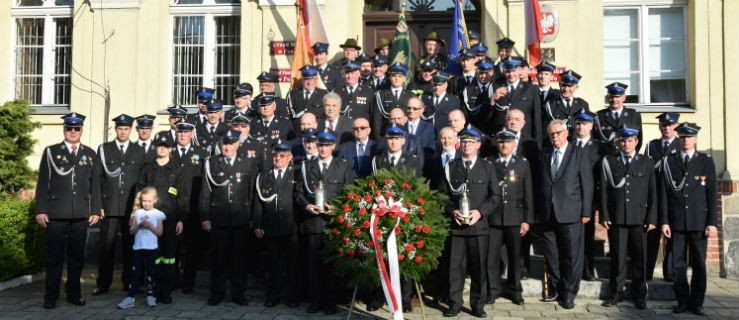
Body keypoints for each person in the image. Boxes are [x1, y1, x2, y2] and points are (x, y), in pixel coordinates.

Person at [35, 113, 101, 309]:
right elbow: (41, 184)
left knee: (77, 258)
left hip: (81, 214)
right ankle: (51, 296)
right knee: (54, 257)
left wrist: (95, 209)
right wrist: (40, 210)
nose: (73, 132)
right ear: (64, 130)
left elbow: (95, 185)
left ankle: (74, 293)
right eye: (69, 128)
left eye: (77, 128)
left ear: (81, 130)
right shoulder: (51, 152)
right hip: (56, 214)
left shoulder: (90, 154)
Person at [439, 127, 501, 318]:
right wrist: (453, 211)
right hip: (457, 226)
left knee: (478, 268)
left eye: (471, 142)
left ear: (478, 145)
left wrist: (480, 213)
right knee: (454, 268)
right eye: (464, 141)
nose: (467, 145)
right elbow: (442, 196)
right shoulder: (451, 167)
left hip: (478, 227)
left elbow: (495, 196)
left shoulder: (488, 167)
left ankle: (477, 305)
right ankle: (455, 303)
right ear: (459, 144)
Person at [660, 122, 717, 316]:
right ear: (678, 138)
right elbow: (664, 195)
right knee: (677, 264)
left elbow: (711, 194)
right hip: (676, 222)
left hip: (699, 222)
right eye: (683, 137)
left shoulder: (705, 161)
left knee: (699, 263)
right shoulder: (670, 162)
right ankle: (682, 300)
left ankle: (697, 302)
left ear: (695, 139)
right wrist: (665, 221)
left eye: (689, 137)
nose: (686, 140)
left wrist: (712, 223)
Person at [538, 119, 594, 309]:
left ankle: (569, 293)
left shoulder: (579, 154)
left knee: (571, 256)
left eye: (558, 133)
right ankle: (556, 288)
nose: (555, 137)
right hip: (547, 214)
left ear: (566, 133)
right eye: (552, 134)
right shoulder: (545, 155)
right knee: (552, 255)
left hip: (571, 213)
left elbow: (587, 184)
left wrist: (586, 211)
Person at [296, 132, 353, 314]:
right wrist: (307, 206)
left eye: (326, 145)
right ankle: (316, 301)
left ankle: (331, 302)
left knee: (332, 266)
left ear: (333, 147)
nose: (322, 148)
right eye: (320, 145)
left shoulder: (341, 166)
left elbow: (349, 194)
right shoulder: (307, 167)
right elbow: (298, 193)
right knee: (313, 265)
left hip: (333, 225)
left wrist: (337, 208)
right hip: (313, 223)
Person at [600, 126, 657, 309]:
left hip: (639, 218)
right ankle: (616, 292)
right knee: (617, 257)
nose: (626, 144)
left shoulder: (647, 162)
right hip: (617, 218)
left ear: (636, 142)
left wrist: (652, 218)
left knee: (640, 258)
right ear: (618, 142)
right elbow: (604, 191)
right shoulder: (610, 161)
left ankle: (639, 294)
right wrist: (605, 215)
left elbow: (652, 192)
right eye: (623, 141)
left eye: (630, 140)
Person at [200, 130, 258, 306]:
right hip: (218, 218)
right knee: (218, 259)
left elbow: (252, 194)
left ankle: (238, 293)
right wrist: (204, 217)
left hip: (241, 218)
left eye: (231, 144)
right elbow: (204, 193)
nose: (228, 147)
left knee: (239, 259)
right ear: (221, 145)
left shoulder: (247, 163)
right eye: (225, 144)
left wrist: (253, 219)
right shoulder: (211, 163)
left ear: (237, 145)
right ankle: (217, 292)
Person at [93, 114, 145, 297]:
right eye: (120, 129)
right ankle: (103, 283)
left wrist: (140, 207)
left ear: (131, 130)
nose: (123, 132)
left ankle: (130, 282)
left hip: (131, 207)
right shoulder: (104, 149)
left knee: (131, 247)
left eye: (126, 129)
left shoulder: (139, 151)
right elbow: (97, 179)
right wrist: (97, 205)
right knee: (106, 246)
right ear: (116, 130)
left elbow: (142, 180)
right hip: (109, 206)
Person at [137, 135, 188, 304]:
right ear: (155, 147)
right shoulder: (147, 168)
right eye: (159, 146)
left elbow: (182, 195)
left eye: (166, 146)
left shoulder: (177, 169)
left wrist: (181, 219)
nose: (162, 149)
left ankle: (166, 290)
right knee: (153, 256)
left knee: (169, 257)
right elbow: (140, 193)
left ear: (171, 149)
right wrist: (137, 216)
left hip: (170, 219)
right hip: (150, 219)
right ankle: (154, 289)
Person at [485, 129, 533, 306]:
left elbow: (528, 193)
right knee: (492, 257)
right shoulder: (489, 162)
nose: (504, 145)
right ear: (497, 143)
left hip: (515, 217)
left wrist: (527, 219)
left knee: (515, 257)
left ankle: (515, 290)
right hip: (494, 218)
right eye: (501, 141)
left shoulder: (522, 164)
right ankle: (493, 289)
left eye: (508, 141)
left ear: (514, 143)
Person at [253, 142, 300, 309]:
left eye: (282, 156)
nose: (278, 158)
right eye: (275, 156)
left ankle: (292, 296)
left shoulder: (296, 174)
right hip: (271, 226)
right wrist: (258, 223)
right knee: (273, 264)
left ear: (289, 157)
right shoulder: (263, 176)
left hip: (291, 226)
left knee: (292, 264)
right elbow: (258, 202)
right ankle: (273, 295)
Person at [170, 122, 208, 295]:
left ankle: (188, 282)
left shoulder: (201, 153)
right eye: (180, 132)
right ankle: (173, 279)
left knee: (192, 247)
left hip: (193, 208)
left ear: (192, 134)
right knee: (172, 247)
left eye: (186, 132)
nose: (183, 135)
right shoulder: (169, 153)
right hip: (171, 207)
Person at [571, 109, 606, 282]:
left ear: (591, 126)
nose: (580, 127)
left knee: (587, 236)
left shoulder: (599, 148)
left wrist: (597, 201)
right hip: (570, 198)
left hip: (589, 199)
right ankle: (572, 270)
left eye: (584, 123)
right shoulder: (568, 144)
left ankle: (587, 269)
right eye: (578, 123)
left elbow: (601, 176)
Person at [644, 112, 680, 282]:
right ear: (659, 127)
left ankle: (670, 273)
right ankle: (647, 273)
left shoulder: (681, 146)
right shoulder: (651, 146)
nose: (666, 128)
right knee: (651, 238)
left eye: (670, 125)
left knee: (672, 238)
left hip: (674, 199)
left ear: (676, 126)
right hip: (655, 199)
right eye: (664, 125)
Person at [116, 187, 165, 309]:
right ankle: (130, 298)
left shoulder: (158, 214)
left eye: (149, 201)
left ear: (155, 200)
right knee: (135, 273)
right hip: (138, 249)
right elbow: (131, 231)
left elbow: (160, 232)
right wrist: (138, 225)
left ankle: (150, 296)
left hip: (152, 249)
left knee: (151, 273)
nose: (146, 203)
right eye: (144, 201)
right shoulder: (137, 213)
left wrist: (150, 226)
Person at [595, 82, 642, 150]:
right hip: (605, 157)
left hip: (626, 157)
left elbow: (639, 140)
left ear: (624, 97)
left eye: (617, 97)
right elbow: (595, 140)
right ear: (608, 97)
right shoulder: (599, 116)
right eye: (611, 97)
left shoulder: (634, 115)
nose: (614, 100)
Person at [543, 69, 588, 139]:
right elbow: (546, 130)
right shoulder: (550, 105)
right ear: (559, 84)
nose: (566, 89)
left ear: (576, 87)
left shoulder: (582, 105)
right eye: (563, 85)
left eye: (570, 86)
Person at [372, 62, 414, 135]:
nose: (396, 78)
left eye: (400, 76)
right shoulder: (381, 95)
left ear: (404, 78)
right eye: (394, 76)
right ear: (389, 77)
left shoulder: (411, 96)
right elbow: (377, 120)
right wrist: (379, 140)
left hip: (406, 136)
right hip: (386, 136)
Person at [462, 60, 494, 134]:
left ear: (491, 73)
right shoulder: (468, 90)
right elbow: (466, 113)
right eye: (481, 73)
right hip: (474, 131)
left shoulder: (496, 88)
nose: (483, 76)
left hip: (492, 131)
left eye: (486, 73)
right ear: (477, 73)